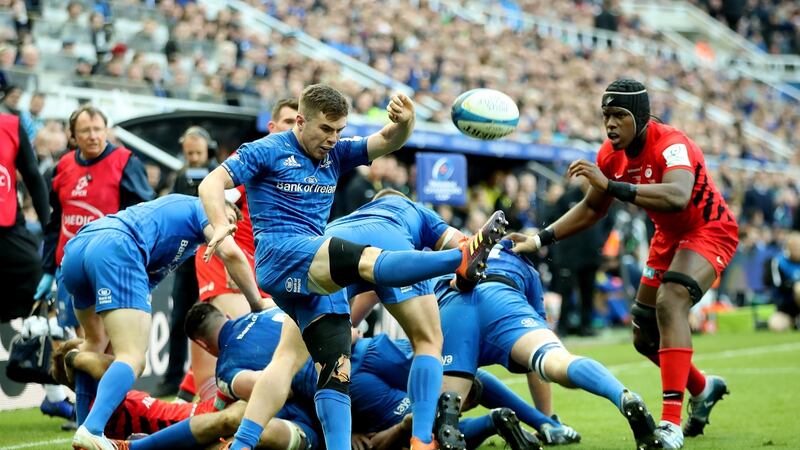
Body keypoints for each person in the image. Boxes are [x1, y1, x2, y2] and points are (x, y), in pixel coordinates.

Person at [199, 84, 505, 450]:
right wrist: (219, 223)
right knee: (366, 260)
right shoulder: (268, 149)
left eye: (339, 130)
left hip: (313, 275)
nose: (333, 138)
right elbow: (211, 182)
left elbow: (386, 141)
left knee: (335, 371)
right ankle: (459, 259)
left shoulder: (336, 154)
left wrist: (405, 122)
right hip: (283, 255)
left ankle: (243, 445)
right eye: (325, 130)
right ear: (300, 121)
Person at [511, 79, 736, 449]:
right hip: (667, 237)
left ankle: (669, 424)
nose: (610, 123)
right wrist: (539, 238)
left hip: (708, 229)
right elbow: (591, 209)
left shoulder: (672, 145)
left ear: (641, 117)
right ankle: (703, 387)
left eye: (619, 115)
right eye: (606, 116)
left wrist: (612, 186)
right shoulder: (609, 156)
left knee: (671, 300)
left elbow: (679, 196)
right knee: (643, 336)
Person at [62, 194, 264, 450]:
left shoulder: (180, 237)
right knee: (133, 357)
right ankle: (91, 429)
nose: (230, 228)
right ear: (219, 208)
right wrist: (257, 302)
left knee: (96, 345)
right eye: (230, 219)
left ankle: (84, 427)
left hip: (80, 248)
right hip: (116, 246)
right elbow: (230, 253)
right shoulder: (204, 207)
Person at [437, 240, 660, 449]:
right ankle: (623, 396)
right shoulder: (525, 266)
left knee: (438, 421)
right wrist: (547, 420)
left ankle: (456, 423)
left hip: (454, 310)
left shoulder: (447, 255)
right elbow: (536, 369)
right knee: (554, 360)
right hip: (504, 300)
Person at [325, 189, 481, 449]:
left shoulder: (351, 218)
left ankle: (245, 438)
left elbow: (349, 321)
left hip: (329, 243)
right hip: (376, 349)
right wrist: (462, 275)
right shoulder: (411, 210)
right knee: (428, 342)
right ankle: (421, 440)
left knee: (317, 360)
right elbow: (467, 247)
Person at [190, 99, 298, 401]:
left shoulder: (306, 167)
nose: (294, 128)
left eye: (298, 122)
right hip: (234, 257)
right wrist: (223, 216)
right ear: (272, 127)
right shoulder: (260, 154)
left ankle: (195, 399)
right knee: (240, 339)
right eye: (288, 122)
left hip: (272, 269)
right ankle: (207, 411)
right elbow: (220, 192)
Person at [36, 105, 154, 330]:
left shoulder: (126, 162)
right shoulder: (62, 166)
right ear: (73, 136)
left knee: (107, 341)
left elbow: (144, 217)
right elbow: (55, 222)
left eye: (98, 129)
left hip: (109, 267)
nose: (93, 136)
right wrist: (48, 270)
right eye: (85, 131)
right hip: (68, 268)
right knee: (70, 341)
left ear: (106, 130)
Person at [156, 125, 219, 399]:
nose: (193, 158)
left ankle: (216, 378)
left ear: (209, 150)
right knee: (178, 320)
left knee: (215, 320)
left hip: (214, 260)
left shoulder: (221, 175)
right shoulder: (182, 176)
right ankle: (173, 379)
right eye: (189, 153)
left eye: (198, 152)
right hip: (187, 261)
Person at [765, 232, 800, 331]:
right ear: (788, 247)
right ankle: (795, 321)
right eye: (795, 246)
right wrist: (794, 284)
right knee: (775, 325)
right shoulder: (779, 261)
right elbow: (779, 285)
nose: (797, 249)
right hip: (786, 306)